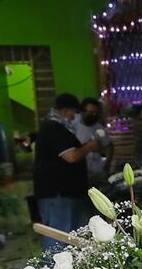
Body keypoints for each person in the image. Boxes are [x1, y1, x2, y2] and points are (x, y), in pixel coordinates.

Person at [33, 93, 102, 252]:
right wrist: (90, 147)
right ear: (65, 111)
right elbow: (71, 156)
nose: (75, 116)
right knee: (57, 237)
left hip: (65, 193)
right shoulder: (54, 128)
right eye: (74, 112)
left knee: (70, 236)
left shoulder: (58, 127)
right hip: (57, 195)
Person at [74, 97, 113, 181]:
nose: (94, 115)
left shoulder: (98, 128)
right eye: (91, 112)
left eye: (96, 113)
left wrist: (107, 164)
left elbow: (109, 145)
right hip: (78, 172)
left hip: (96, 171)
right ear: (82, 112)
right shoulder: (73, 126)